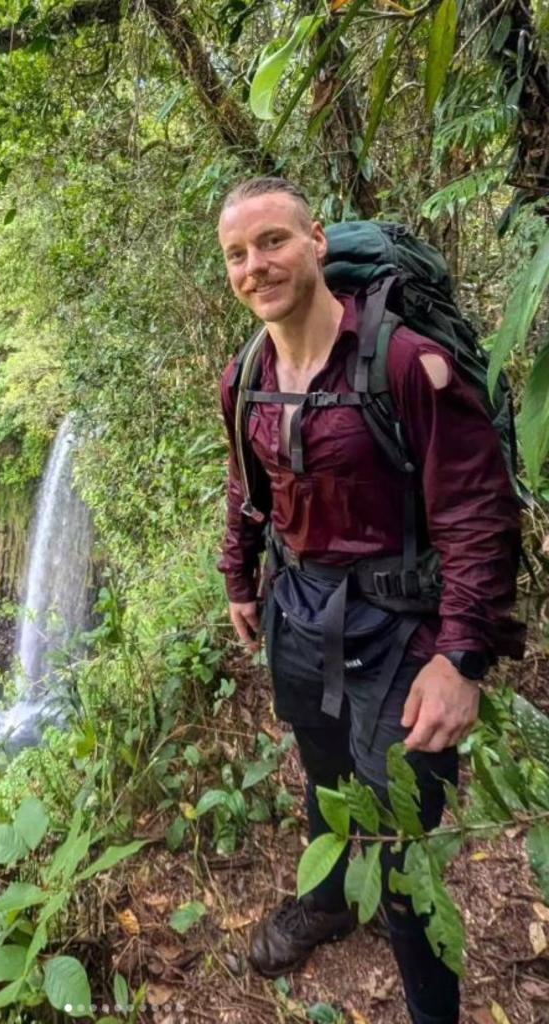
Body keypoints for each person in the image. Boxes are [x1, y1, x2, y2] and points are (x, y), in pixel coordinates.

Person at [217, 177, 525, 1024]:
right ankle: (326, 903)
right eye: (238, 254)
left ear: (316, 241)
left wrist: (460, 659)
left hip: (402, 624)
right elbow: (250, 487)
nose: (257, 266)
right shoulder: (247, 375)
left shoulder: (403, 363)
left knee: (398, 838)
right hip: (301, 609)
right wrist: (241, 577)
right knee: (321, 772)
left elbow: (475, 514)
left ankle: (432, 1006)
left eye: (273, 241)